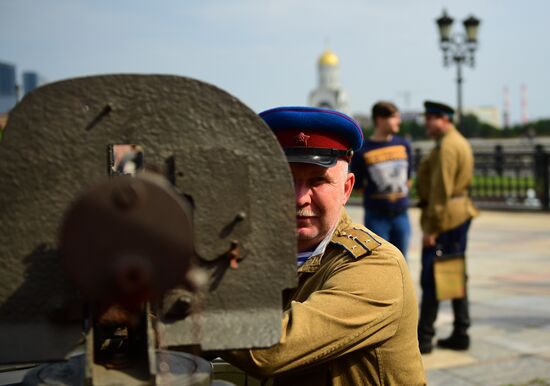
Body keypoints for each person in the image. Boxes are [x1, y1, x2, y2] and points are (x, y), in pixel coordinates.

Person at [222, 106, 425, 386]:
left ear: (346, 189)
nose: (300, 198)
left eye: (318, 181)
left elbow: (269, 349)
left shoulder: (377, 265)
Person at [416, 101, 479, 354]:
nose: (427, 123)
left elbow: (441, 191)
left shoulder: (448, 147)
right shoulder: (454, 141)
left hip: (446, 220)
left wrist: (431, 228)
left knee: (433, 277)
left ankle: (424, 338)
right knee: (453, 273)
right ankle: (461, 332)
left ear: (445, 119)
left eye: (431, 118)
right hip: (456, 216)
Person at [351, 101, 412, 257]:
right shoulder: (363, 150)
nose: (399, 121)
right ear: (379, 119)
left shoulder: (404, 145)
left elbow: (409, 177)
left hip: (401, 214)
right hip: (376, 216)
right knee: (379, 260)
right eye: (394, 117)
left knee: (401, 260)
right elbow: (357, 185)